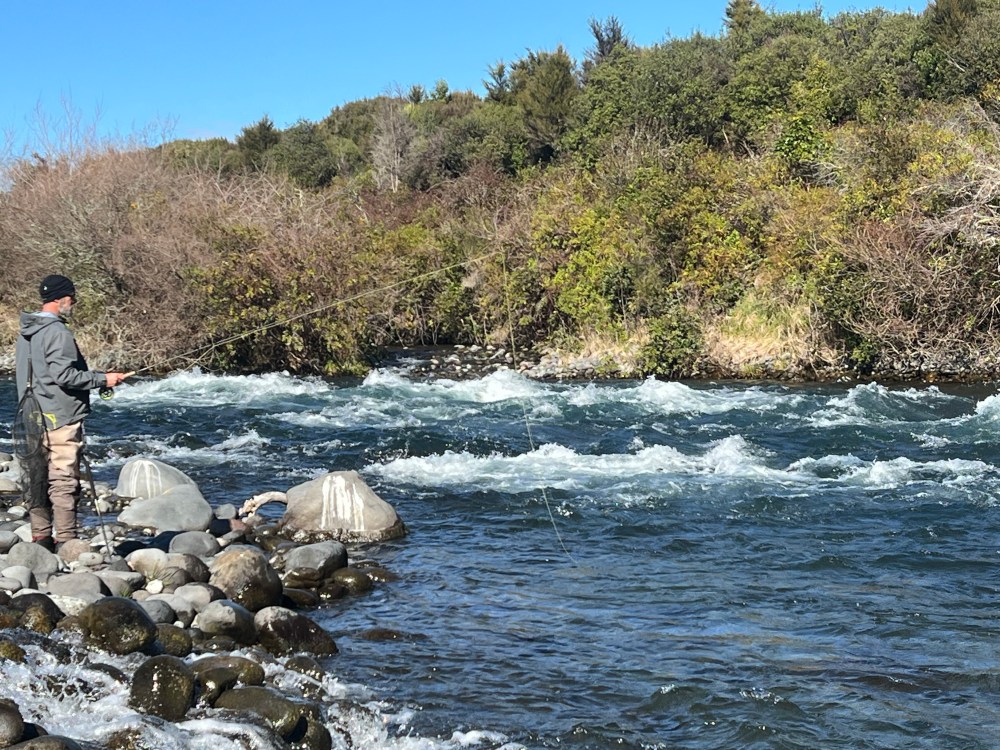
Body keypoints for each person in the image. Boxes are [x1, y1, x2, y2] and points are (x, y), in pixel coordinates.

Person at [14, 274, 130, 550]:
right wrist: (104, 379)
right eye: (71, 297)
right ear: (60, 298)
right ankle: (67, 541)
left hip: (30, 415)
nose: (74, 302)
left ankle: (41, 538)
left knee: (35, 476)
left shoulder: (25, 331)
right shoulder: (58, 332)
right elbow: (65, 376)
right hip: (60, 416)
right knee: (64, 479)